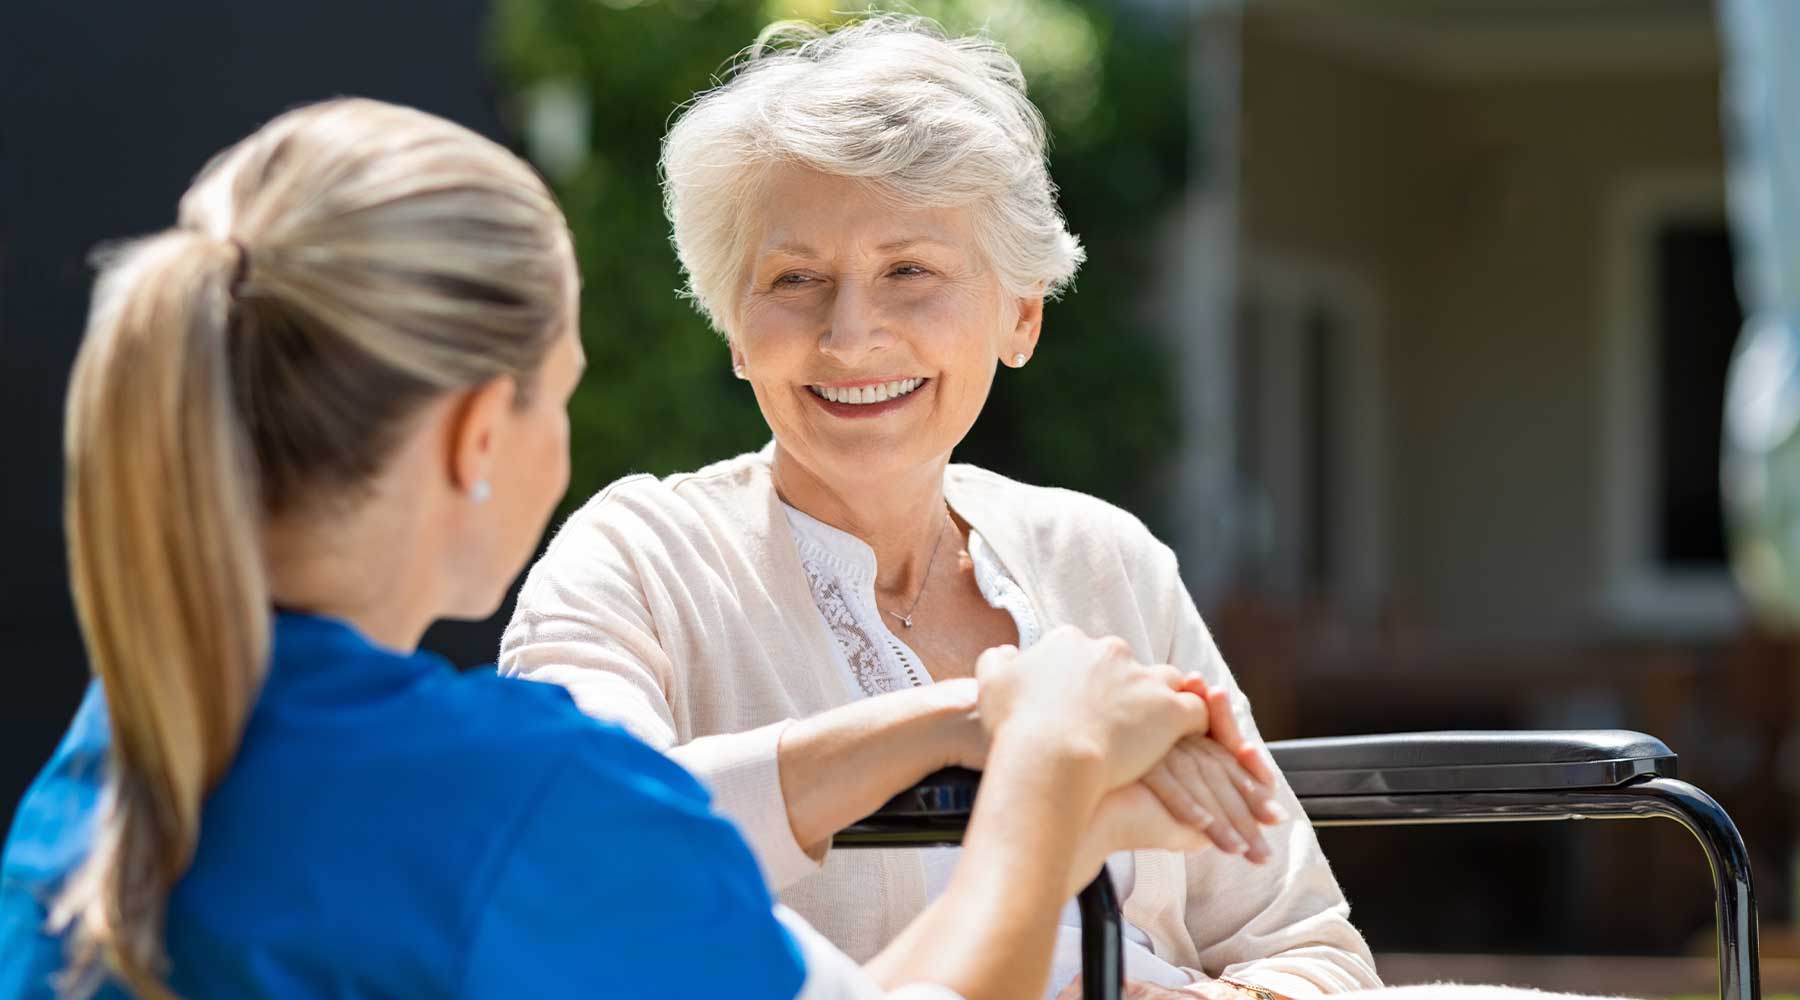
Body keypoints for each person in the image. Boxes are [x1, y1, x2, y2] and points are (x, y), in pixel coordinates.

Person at [0, 97, 1230, 1000]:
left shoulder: (123, 748)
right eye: (563, 393)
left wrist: (954, 719)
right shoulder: (515, 801)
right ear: (484, 429)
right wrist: (1046, 781)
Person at [498, 17, 1378, 1000]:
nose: (849, 333)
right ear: (735, 327)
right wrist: (983, 720)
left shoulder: (1106, 559)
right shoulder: (635, 563)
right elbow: (578, 846)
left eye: (908, 270)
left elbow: (1307, 950)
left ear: (1022, 314)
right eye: (796, 279)